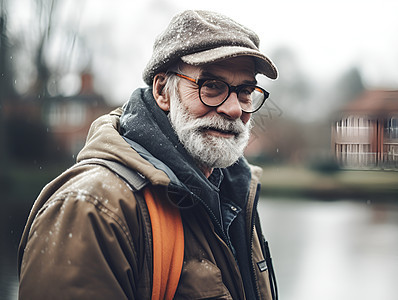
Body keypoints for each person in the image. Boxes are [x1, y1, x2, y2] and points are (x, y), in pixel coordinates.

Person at [18, 9, 278, 300]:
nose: (234, 109)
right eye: (212, 86)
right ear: (162, 92)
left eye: (244, 90)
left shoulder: (236, 194)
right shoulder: (93, 209)